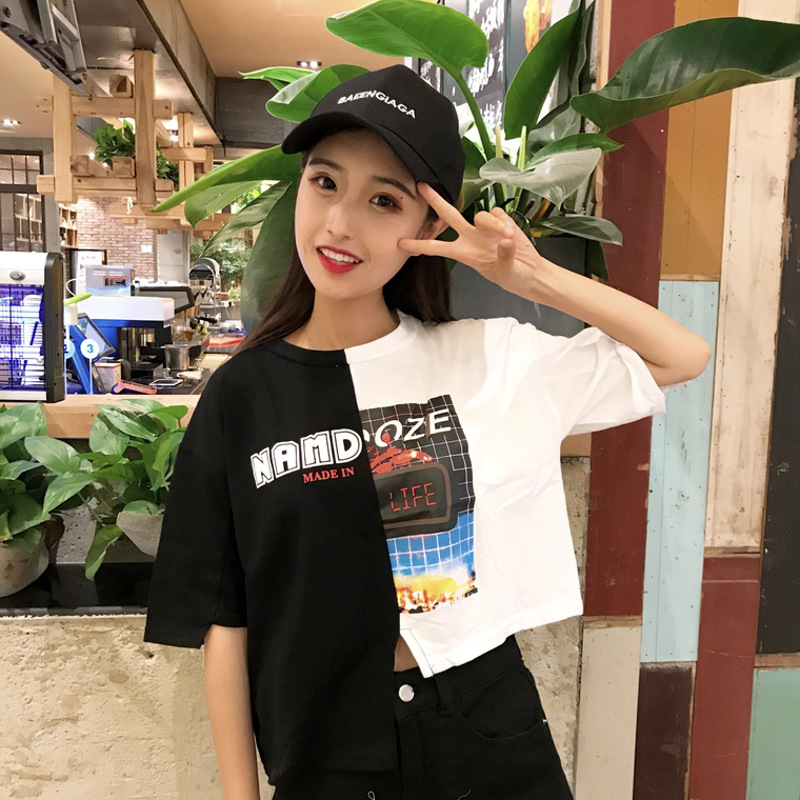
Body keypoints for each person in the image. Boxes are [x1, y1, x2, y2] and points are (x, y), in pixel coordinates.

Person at [144, 65, 710, 800]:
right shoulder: (241, 395)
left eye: (383, 200)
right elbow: (226, 618)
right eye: (325, 183)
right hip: (322, 742)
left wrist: (532, 278)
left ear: (429, 227)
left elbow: (681, 355)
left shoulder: (486, 358)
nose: (340, 223)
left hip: (481, 725)